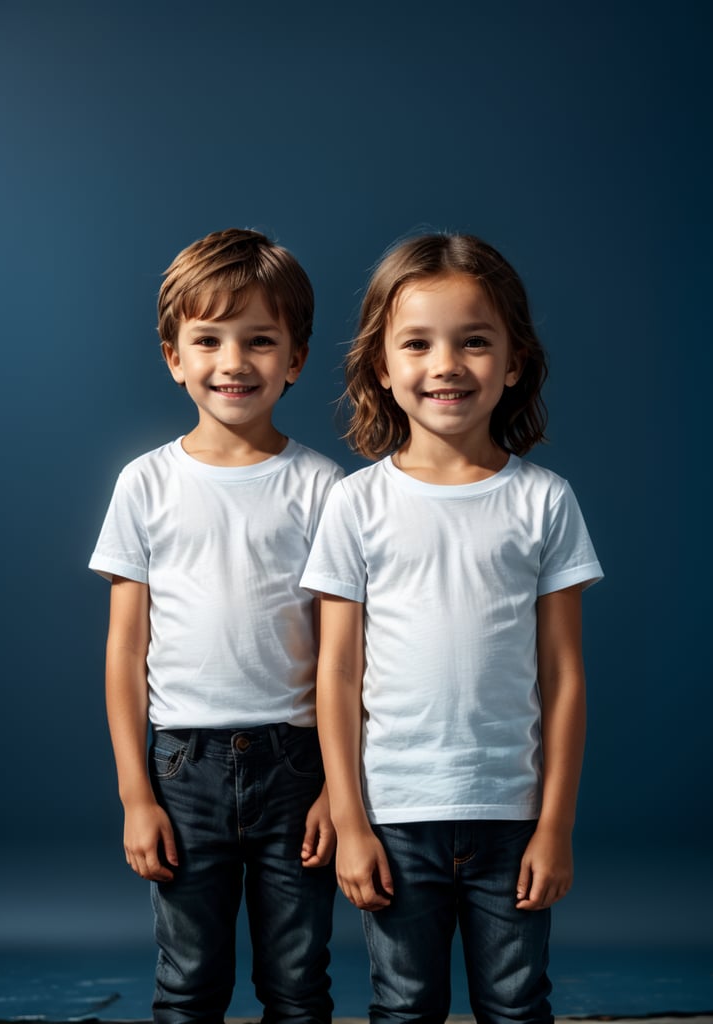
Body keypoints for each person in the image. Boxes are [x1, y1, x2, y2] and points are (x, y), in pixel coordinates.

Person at [301, 233, 604, 1024]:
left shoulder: (544, 501)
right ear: (380, 365)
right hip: (394, 815)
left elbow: (564, 675)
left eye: (474, 341)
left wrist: (556, 826)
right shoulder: (355, 504)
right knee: (404, 1005)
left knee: (514, 1003)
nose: (446, 364)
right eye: (418, 343)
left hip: (512, 815)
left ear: (512, 362)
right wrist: (348, 817)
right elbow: (335, 674)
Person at [89, 228, 342, 1024]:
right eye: (209, 340)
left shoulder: (324, 487)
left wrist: (339, 788)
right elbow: (126, 648)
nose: (233, 362)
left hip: (295, 761)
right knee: (190, 981)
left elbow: (346, 656)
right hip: (182, 764)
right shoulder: (146, 483)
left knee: (297, 982)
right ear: (174, 356)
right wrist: (137, 794)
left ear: (294, 358)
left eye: (259, 341)